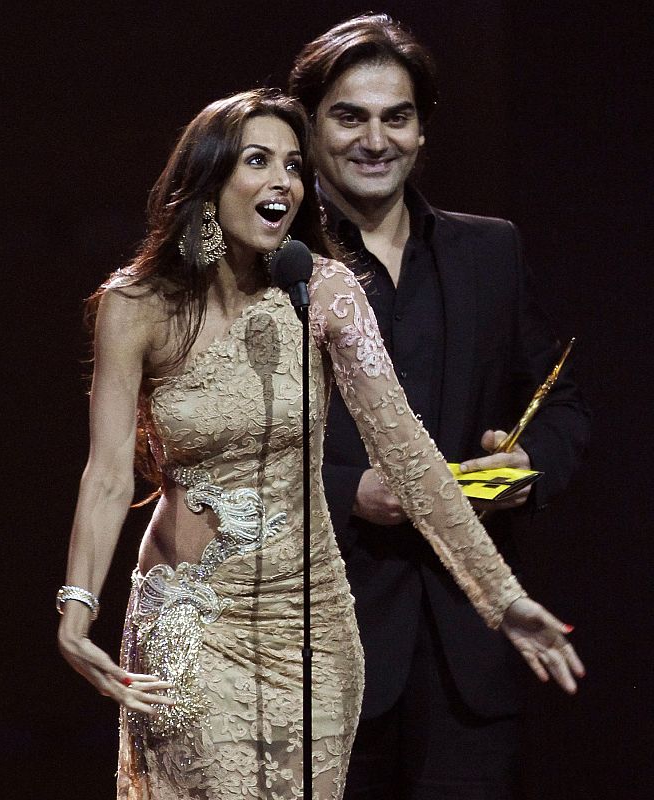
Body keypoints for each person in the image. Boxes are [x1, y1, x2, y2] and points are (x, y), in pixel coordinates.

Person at [56, 88, 583, 800]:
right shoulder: (137, 305)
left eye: (294, 166)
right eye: (257, 161)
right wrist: (78, 610)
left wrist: (501, 598)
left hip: (313, 633)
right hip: (195, 623)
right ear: (210, 180)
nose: (283, 181)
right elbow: (108, 476)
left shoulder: (325, 292)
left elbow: (407, 455)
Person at [289, 14, 591, 800]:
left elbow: (557, 400)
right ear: (308, 126)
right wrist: (348, 490)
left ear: (423, 130)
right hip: (317, 648)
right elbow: (206, 450)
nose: (374, 139)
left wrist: (527, 462)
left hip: (468, 651)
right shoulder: (266, 269)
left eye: (397, 117)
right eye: (349, 116)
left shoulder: (489, 249)